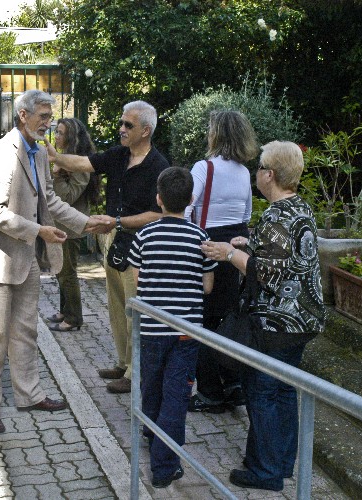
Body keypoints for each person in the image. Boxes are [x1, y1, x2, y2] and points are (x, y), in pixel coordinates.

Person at [0, 90, 110, 434]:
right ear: (23, 116)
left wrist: (85, 223)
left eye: (50, 116)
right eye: (43, 116)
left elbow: (52, 199)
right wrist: (38, 230)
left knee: (26, 330)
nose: (49, 123)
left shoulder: (40, 153)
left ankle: (29, 394)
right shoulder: (1, 153)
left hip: (27, 260)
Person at [201, 140, 325, 492]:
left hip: (276, 324)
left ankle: (265, 471)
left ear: (269, 175)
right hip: (304, 320)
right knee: (284, 391)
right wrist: (249, 242)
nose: (256, 173)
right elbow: (285, 256)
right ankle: (283, 462)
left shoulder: (275, 215)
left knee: (263, 392)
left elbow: (265, 273)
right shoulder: (299, 208)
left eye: (260, 168)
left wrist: (228, 253)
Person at [47, 100, 169, 394]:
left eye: (129, 125)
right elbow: (85, 163)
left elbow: (159, 213)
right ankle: (124, 362)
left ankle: (135, 372)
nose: (121, 129)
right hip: (113, 239)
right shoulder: (119, 155)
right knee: (116, 305)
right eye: (122, 123)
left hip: (140, 244)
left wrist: (118, 221)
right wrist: (55, 157)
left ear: (146, 130)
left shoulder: (158, 166)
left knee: (134, 309)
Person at [127, 167, 216, 488]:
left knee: (151, 384)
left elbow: (137, 279)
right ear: (191, 200)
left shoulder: (145, 235)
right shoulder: (200, 237)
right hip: (185, 331)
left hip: (151, 327)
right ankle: (164, 467)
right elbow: (207, 286)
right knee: (176, 394)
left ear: (158, 199)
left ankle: (151, 434)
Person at [186, 110, 259, 413]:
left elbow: (186, 206)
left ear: (215, 134)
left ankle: (210, 393)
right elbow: (246, 215)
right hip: (236, 247)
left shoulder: (204, 168)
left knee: (202, 320)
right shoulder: (244, 172)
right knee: (228, 316)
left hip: (208, 245)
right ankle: (233, 383)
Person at [47, 118, 101, 332]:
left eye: (60, 133)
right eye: (57, 132)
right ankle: (64, 310)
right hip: (60, 225)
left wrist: (57, 173)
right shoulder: (67, 160)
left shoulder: (79, 164)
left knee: (68, 273)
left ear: (71, 138)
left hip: (71, 228)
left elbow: (67, 197)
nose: (56, 137)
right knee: (60, 270)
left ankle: (74, 318)